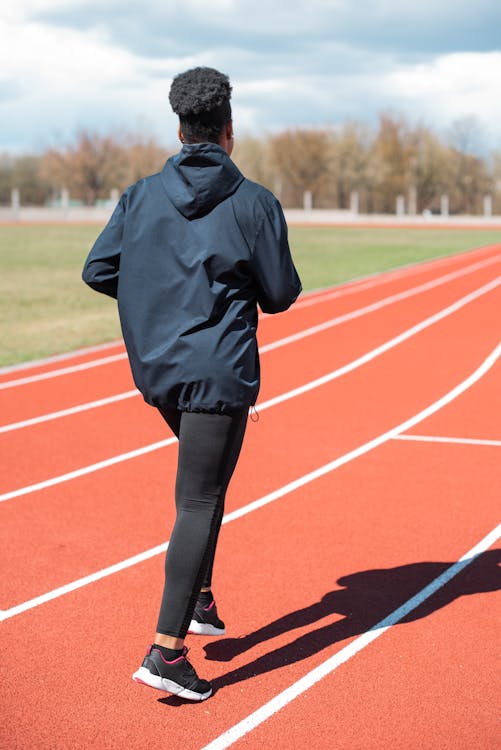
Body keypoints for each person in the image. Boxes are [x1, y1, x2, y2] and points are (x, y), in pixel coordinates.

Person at [82, 66, 301, 701]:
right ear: (229, 130)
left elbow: (100, 269)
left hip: (158, 370)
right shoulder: (255, 202)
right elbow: (282, 293)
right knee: (200, 500)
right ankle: (167, 651)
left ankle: (200, 599)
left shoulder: (140, 194)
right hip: (218, 370)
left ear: (180, 128)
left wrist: (161, 296)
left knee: (204, 488)